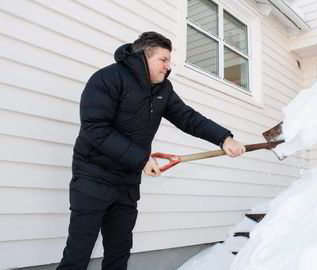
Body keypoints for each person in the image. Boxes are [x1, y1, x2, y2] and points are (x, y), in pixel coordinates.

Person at [57, 31, 245, 270]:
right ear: (144, 57)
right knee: (79, 251)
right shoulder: (108, 78)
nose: (168, 66)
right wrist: (141, 159)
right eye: (163, 60)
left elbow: (187, 118)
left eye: (170, 60)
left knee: (119, 251)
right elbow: (96, 129)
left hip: (126, 181)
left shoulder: (162, 89)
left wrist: (223, 138)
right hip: (94, 175)